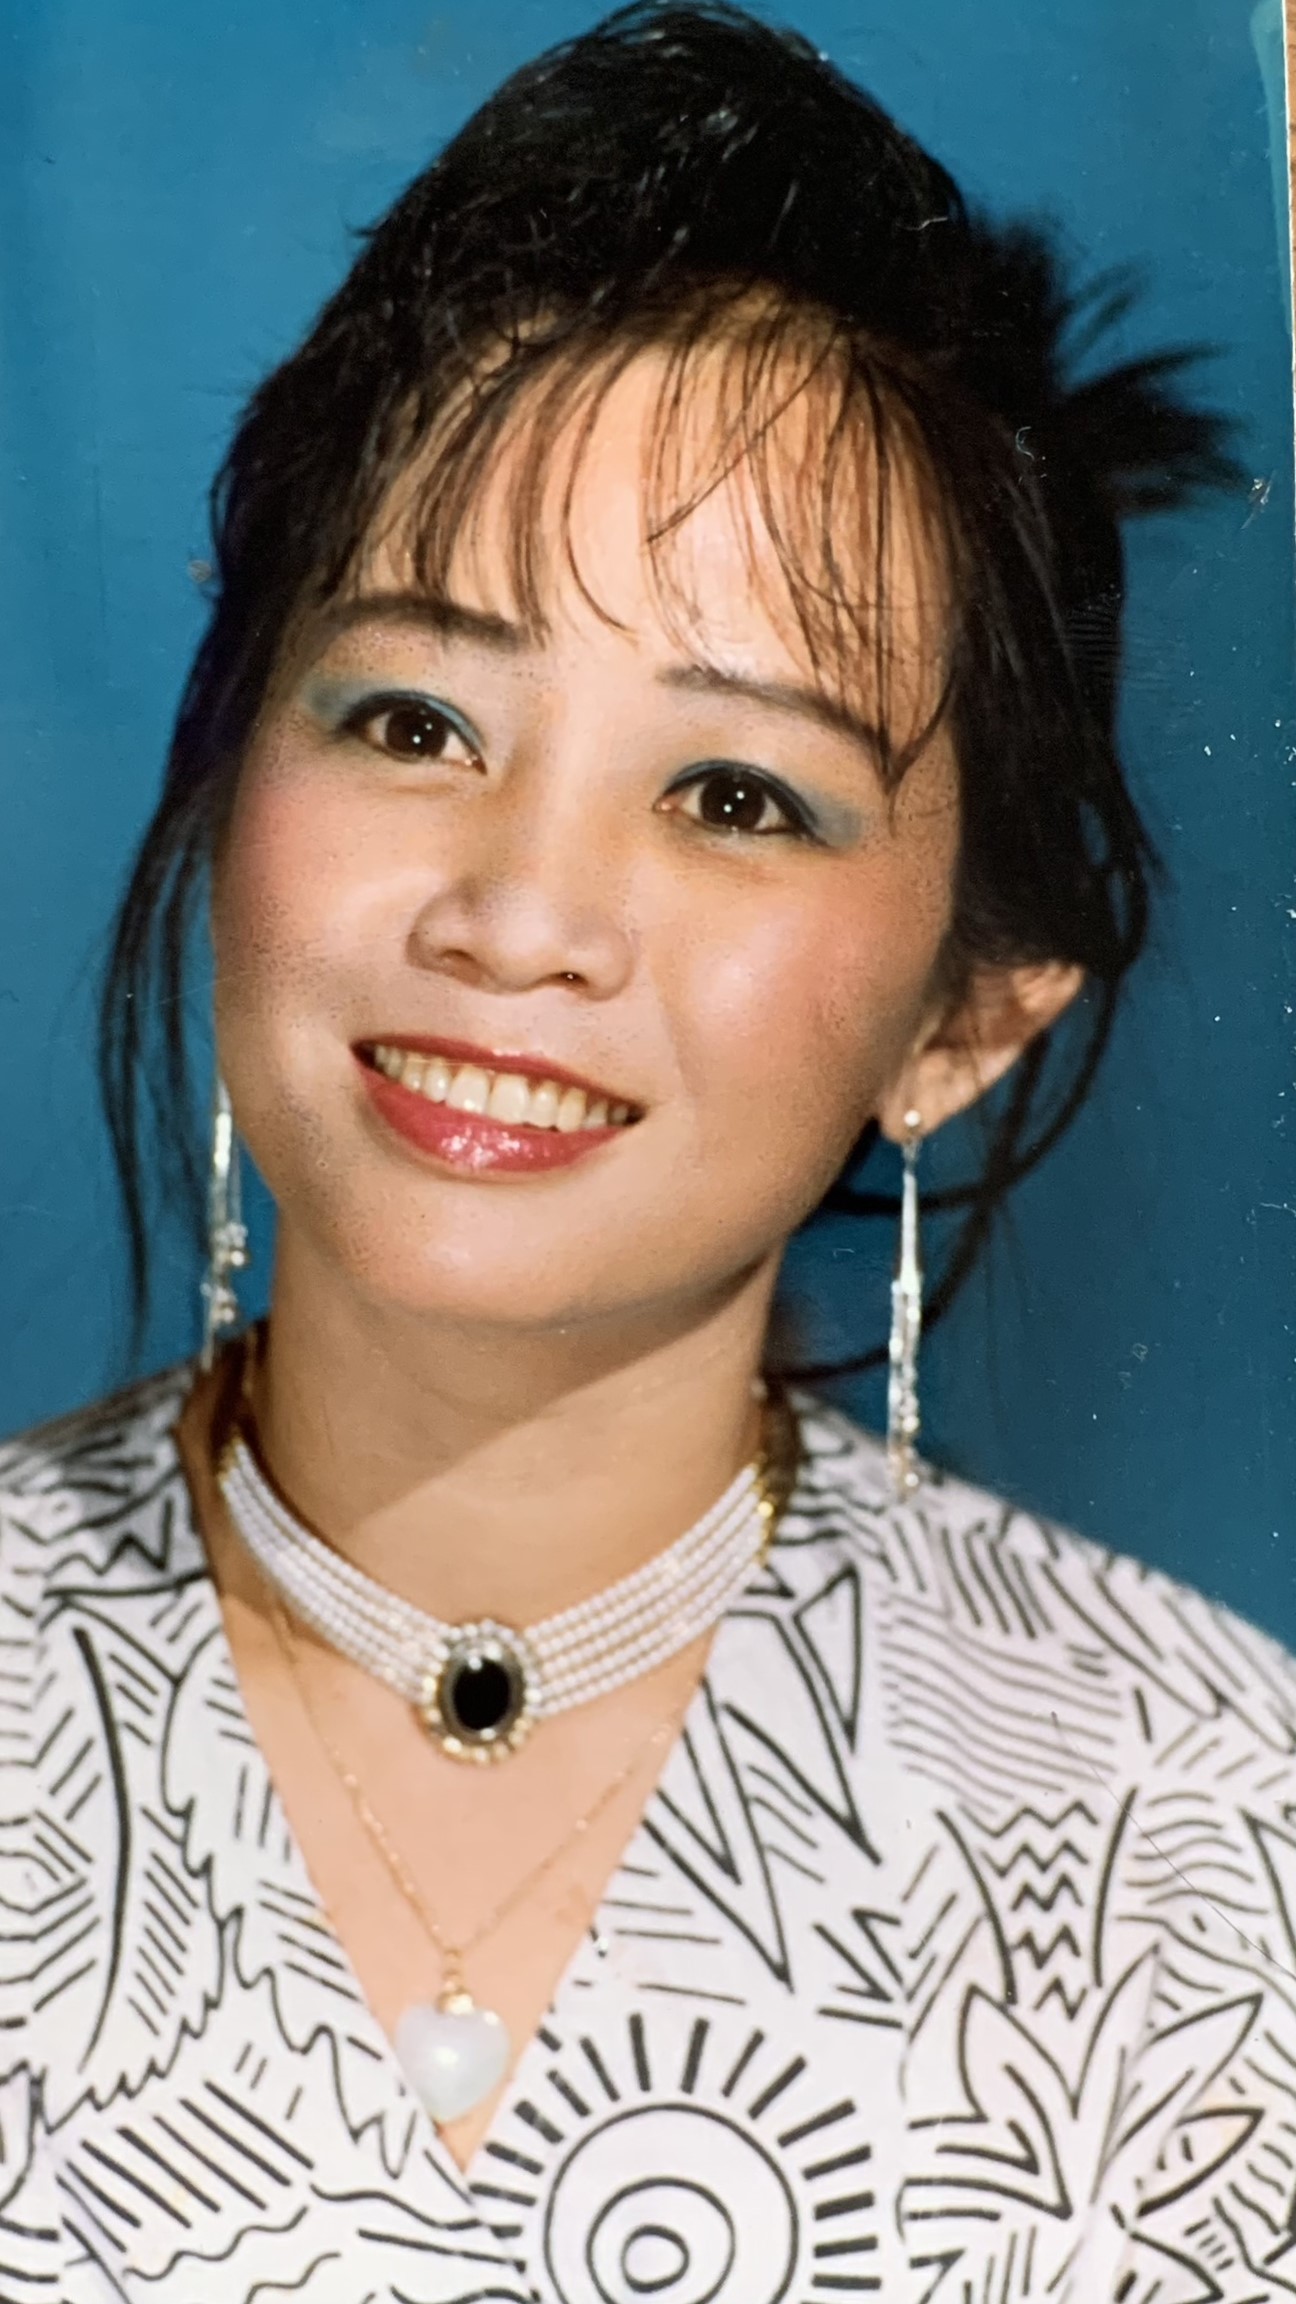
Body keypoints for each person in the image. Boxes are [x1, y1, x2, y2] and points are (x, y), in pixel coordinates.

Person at [1, 5, 1289, 2298]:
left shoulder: (1214, 1851)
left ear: (967, 1018)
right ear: (231, 771)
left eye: (734, 794)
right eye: (416, 719)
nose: (517, 917)